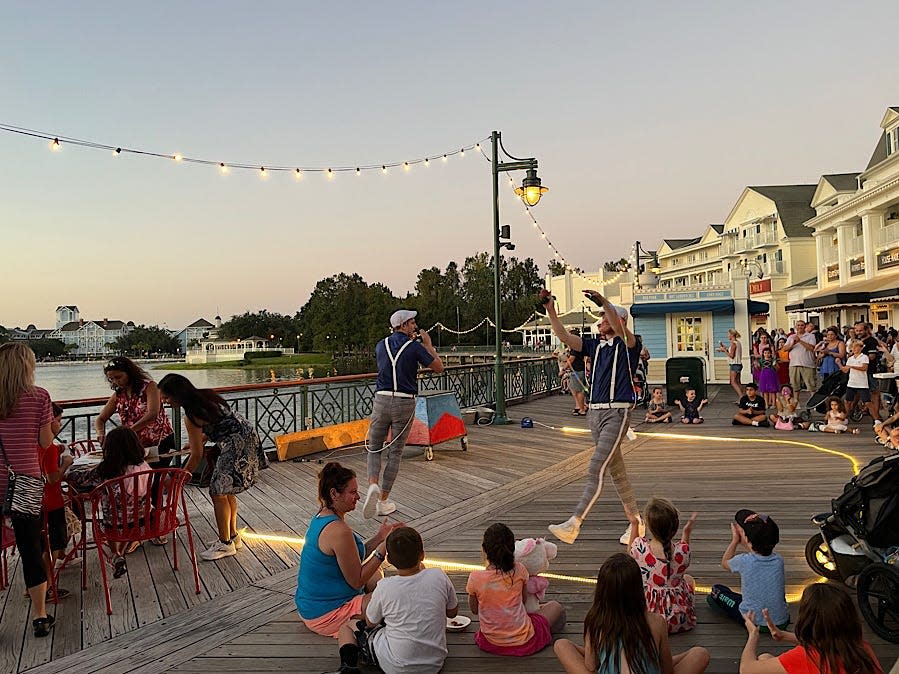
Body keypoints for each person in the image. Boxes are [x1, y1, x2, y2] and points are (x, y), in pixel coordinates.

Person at [542, 289, 643, 546]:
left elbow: (621, 329)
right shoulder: (594, 345)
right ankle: (636, 522)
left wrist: (604, 302)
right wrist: (551, 309)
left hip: (617, 411)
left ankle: (575, 522)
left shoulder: (629, 344)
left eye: (605, 317)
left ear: (619, 320)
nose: (601, 321)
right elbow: (563, 336)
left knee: (596, 466)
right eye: (600, 317)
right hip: (595, 413)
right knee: (616, 471)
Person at [157, 373, 269, 561]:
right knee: (227, 490)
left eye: (167, 397)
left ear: (178, 395)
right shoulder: (206, 397)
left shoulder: (191, 414)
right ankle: (232, 536)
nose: (164, 401)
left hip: (235, 444)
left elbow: (197, 455)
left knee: (217, 492)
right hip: (247, 436)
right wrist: (198, 440)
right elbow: (217, 425)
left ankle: (225, 543)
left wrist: (182, 476)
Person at [553, 553, 709, 674]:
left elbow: (590, 665)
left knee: (562, 645)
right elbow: (667, 669)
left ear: (602, 590)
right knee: (700, 654)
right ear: (638, 589)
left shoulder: (595, 620)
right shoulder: (656, 621)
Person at [330, 527, 458, 674]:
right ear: (422, 555)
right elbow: (452, 613)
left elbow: (371, 622)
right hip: (434, 663)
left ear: (389, 560)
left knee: (347, 626)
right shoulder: (438, 576)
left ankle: (348, 667)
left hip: (396, 667)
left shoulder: (385, 586)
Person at [295, 462, 401, 638]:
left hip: (310, 605)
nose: (358, 497)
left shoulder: (323, 516)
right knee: (392, 596)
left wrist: (379, 537)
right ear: (334, 494)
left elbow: (352, 557)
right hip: (326, 614)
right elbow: (356, 581)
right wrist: (383, 549)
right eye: (352, 492)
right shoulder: (339, 530)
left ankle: (369, 608)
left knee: (377, 575)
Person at [362, 309, 444, 519]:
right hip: (404, 401)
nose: (415, 327)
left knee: (374, 447)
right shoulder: (414, 347)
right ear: (405, 325)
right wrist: (428, 345)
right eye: (413, 323)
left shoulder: (381, 345)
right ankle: (383, 501)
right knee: (395, 452)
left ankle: (372, 485)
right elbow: (438, 367)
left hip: (381, 399)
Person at [0, 342, 57, 637]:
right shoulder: (39, 397)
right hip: (25, 482)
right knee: (31, 549)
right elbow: (46, 443)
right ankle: (39, 615)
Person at [466, 522, 565, 656]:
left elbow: (474, 610)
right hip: (524, 640)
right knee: (555, 606)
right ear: (512, 548)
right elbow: (523, 600)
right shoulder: (519, 570)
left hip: (491, 641)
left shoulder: (475, 578)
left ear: (484, 550)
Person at [65, 426, 152, 579]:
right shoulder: (144, 466)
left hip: (114, 525)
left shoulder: (107, 470)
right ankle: (120, 552)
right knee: (120, 513)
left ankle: (115, 553)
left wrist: (66, 468)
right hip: (142, 521)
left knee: (111, 517)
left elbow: (77, 478)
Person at [739, 583, 881, 674]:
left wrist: (753, 635)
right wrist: (785, 636)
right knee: (767, 659)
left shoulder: (806, 657)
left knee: (764, 658)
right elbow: (829, 640)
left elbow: (746, 669)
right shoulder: (861, 647)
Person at [708, 509, 789, 631]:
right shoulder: (779, 560)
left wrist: (735, 541)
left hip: (755, 622)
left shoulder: (744, 561)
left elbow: (725, 563)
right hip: (781, 621)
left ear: (746, 538)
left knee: (717, 591)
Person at [626, 497, 697, 633]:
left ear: (649, 526)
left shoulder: (641, 549)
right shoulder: (682, 551)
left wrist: (634, 524)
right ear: (675, 528)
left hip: (648, 619)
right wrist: (686, 532)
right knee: (688, 579)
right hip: (679, 619)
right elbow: (683, 550)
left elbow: (631, 551)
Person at [38, 402, 76, 597]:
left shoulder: (33, 446)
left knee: (41, 545)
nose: (60, 425)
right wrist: (66, 463)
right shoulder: (50, 448)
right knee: (53, 545)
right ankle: (49, 585)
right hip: (52, 502)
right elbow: (53, 478)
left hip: (35, 503)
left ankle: (35, 587)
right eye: (58, 421)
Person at [840, 339, 878, 423]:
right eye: (852, 347)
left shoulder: (864, 357)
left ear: (860, 348)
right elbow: (845, 370)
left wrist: (852, 366)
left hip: (862, 383)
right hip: (852, 382)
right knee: (847, 401)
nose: (854, 349)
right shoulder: (850, 358)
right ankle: (845, 418)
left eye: (856, 347)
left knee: (867, 402)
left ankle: (876, 419)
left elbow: (864, 368)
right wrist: (839, 364)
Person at [784, 320, 817, 400]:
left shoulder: (810, 336)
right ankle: (796, 403)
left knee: (811, 386)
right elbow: (785, 348)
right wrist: (793, 343)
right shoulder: (791, 337)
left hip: (807, 364)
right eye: (798, 325)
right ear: (795, 327)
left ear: (805, 326)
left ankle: (814, 403)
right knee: (795, 386)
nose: (800, 327)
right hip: (794, 364)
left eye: (802, 325)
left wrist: (800, 341)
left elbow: (812, 348)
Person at [718, 329, 744, 402]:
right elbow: (733, 352)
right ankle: (742, 398)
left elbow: (732, 356)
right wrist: (724, 349)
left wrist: (724, 351)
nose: (727, 335)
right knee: (738, 382)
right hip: (739, 364)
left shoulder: (733, 344)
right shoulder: (738, 342)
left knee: (732, 382)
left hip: (734, 364)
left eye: (728, 334)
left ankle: (741, 397)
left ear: (732, 335)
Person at [566, 348, 588, 416]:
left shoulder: (575, 349)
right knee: (575, 389)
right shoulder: (580, 347)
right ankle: (581, 406)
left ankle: (582, 409)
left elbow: (571, 360)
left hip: (577, 371)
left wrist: (564, 369)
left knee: (579, 391)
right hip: (580, 370)